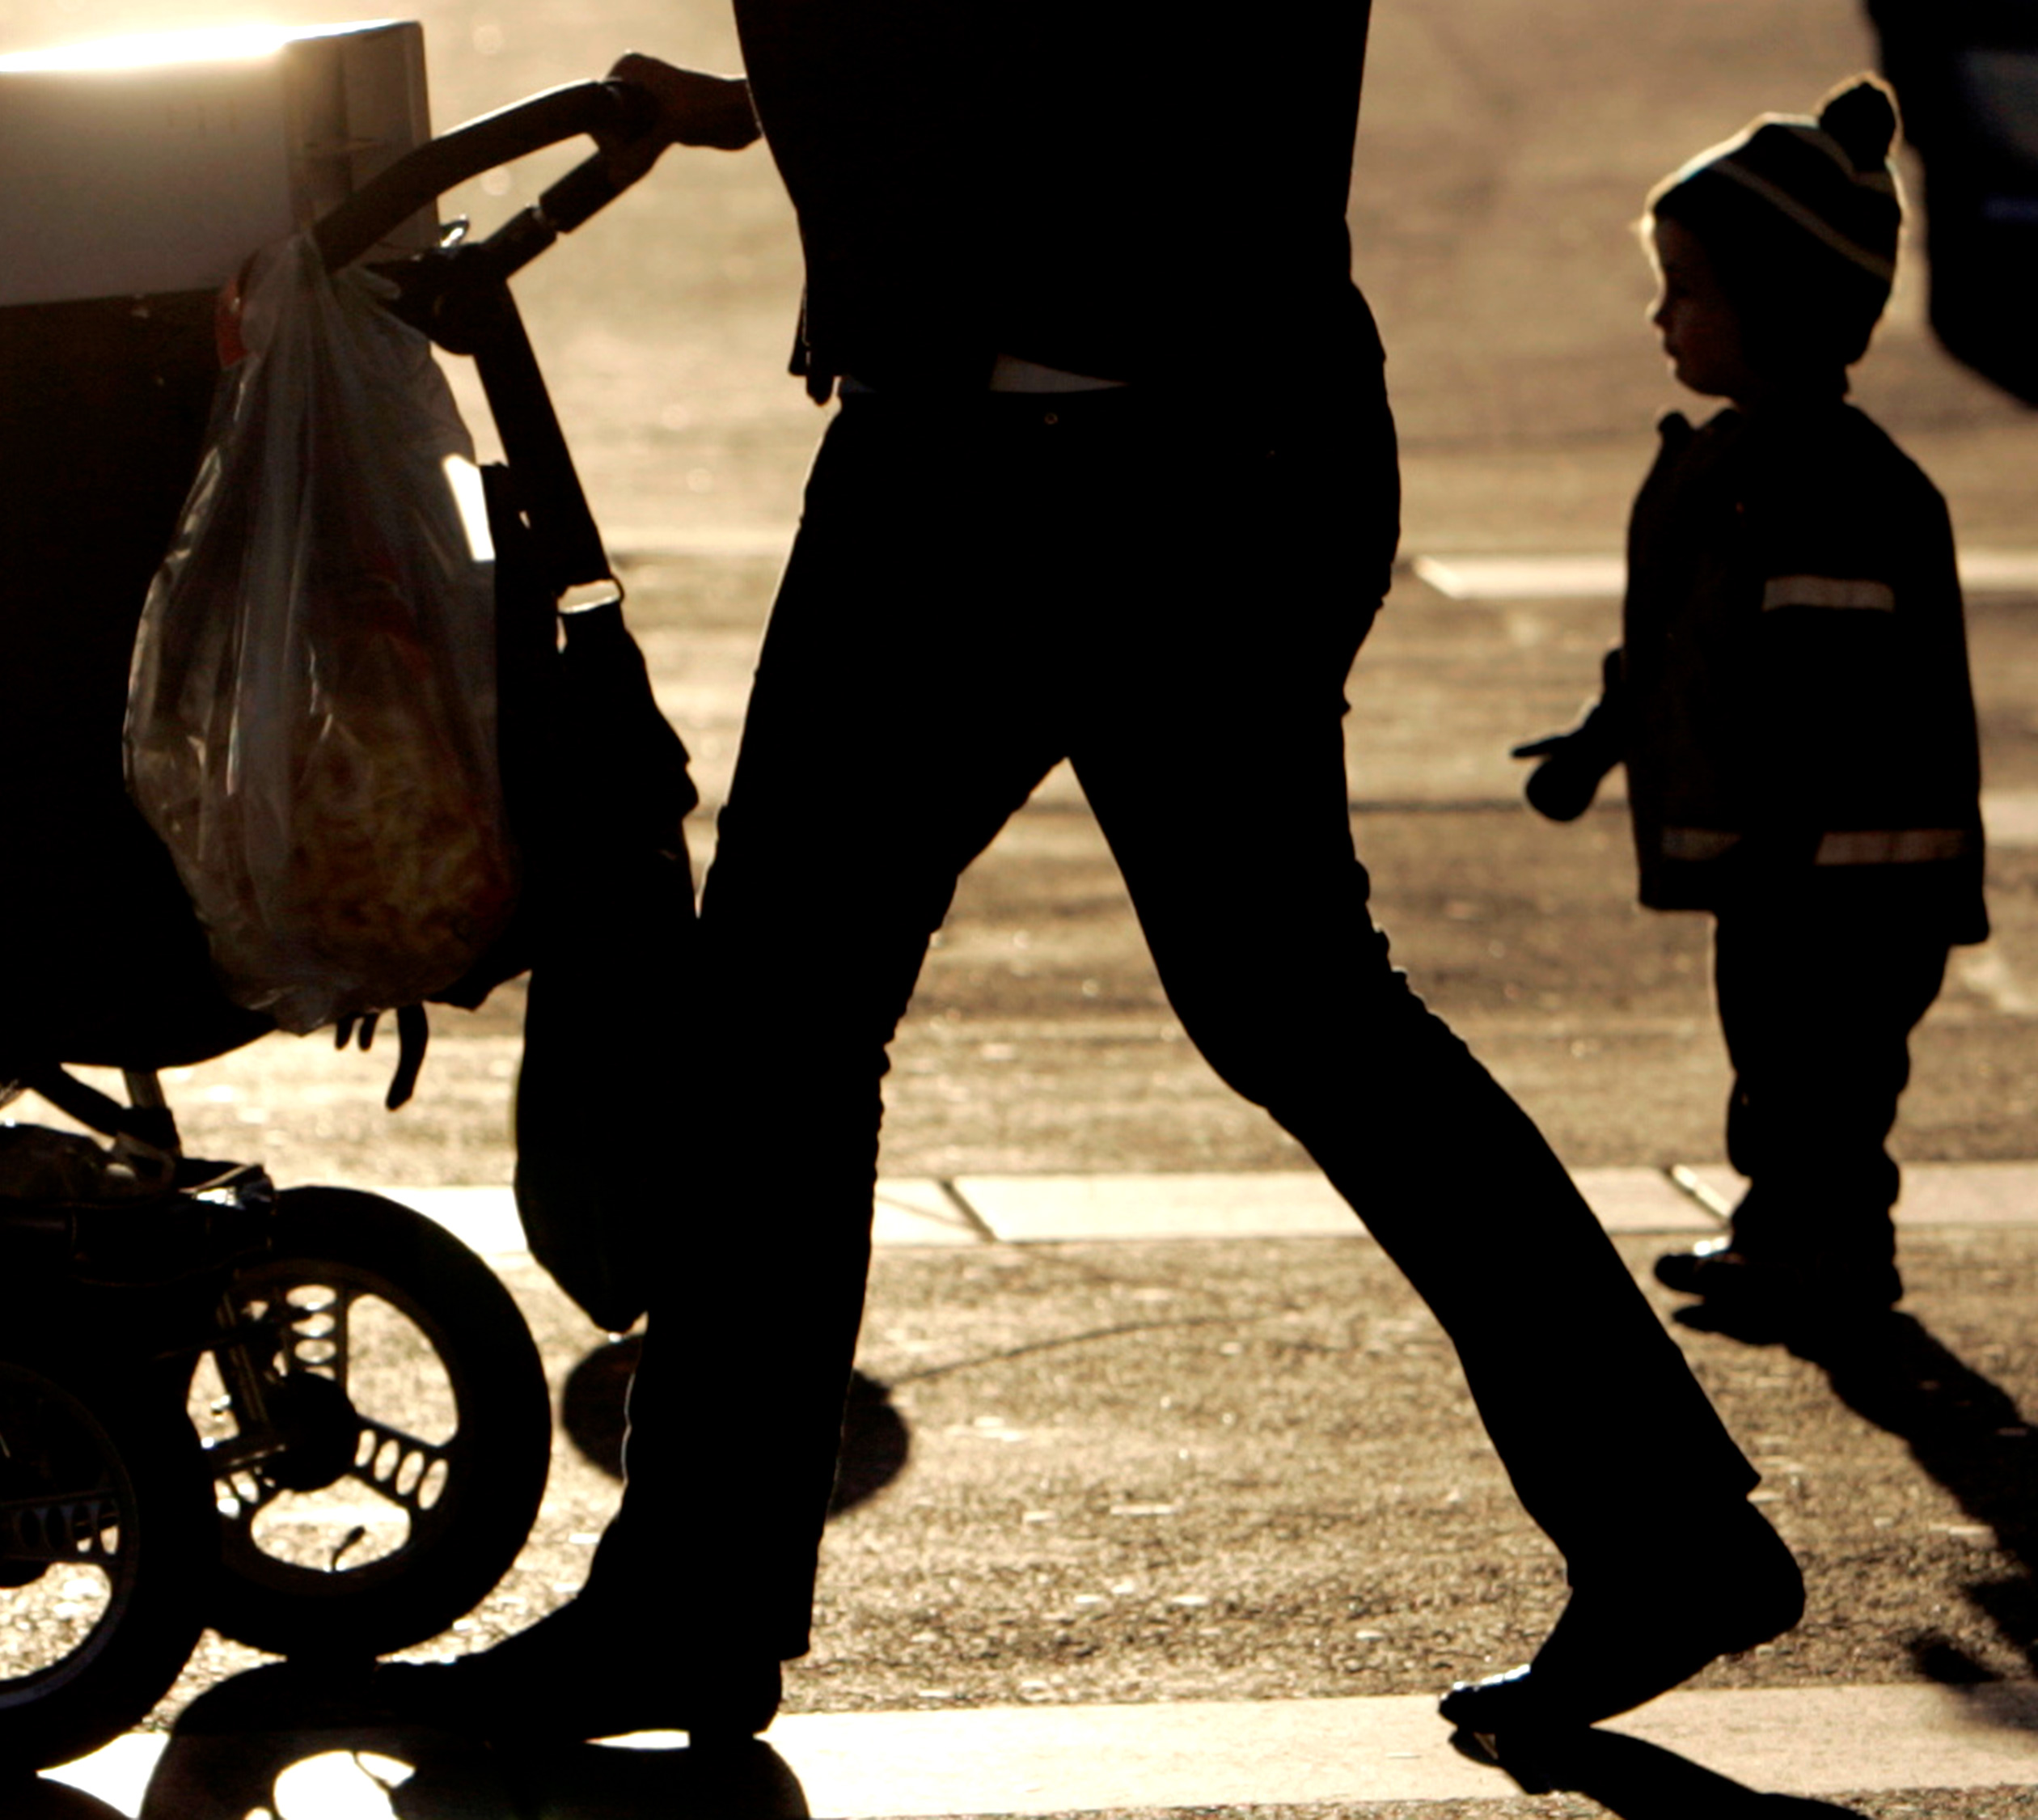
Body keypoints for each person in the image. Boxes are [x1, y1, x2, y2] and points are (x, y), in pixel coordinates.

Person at [391, 6, 1799, 1742]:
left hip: (1067, 457)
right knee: (1271, 1007)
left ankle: (689, 1599)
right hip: (1153, 435)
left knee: (793, 1014)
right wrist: (771, 100)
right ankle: (1663, 1528)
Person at [1515, 77, 1987, 1335]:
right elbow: (1686, 649)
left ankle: (1818, 1247)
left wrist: (1777, 829)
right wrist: (1597, 742)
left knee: (1819, 1072)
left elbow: (1820, 689)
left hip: (1845, 872)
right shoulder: (1742, 467)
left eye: (1689, 289)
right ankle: (1805, 1236)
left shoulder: (1824, 483)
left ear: (1775, 307)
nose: (1662, 315)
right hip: (1796, 866)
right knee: (1789, 1063)